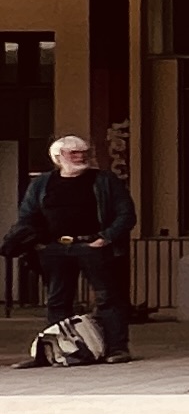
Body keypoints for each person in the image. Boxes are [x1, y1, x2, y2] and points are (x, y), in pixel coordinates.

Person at [7, 135, 136, 364]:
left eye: (84, 152)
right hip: (54, 248)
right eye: (74, 153)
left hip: (92, 246)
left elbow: (126, 214)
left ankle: (117, 349)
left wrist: (105, 238)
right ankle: (57, 351)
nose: (81, 156)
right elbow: (28, 215)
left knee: (107, 298)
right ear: (58, 157)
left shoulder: (104, 180)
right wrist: (37, 243)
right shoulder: (41, 184)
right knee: (57, 300)